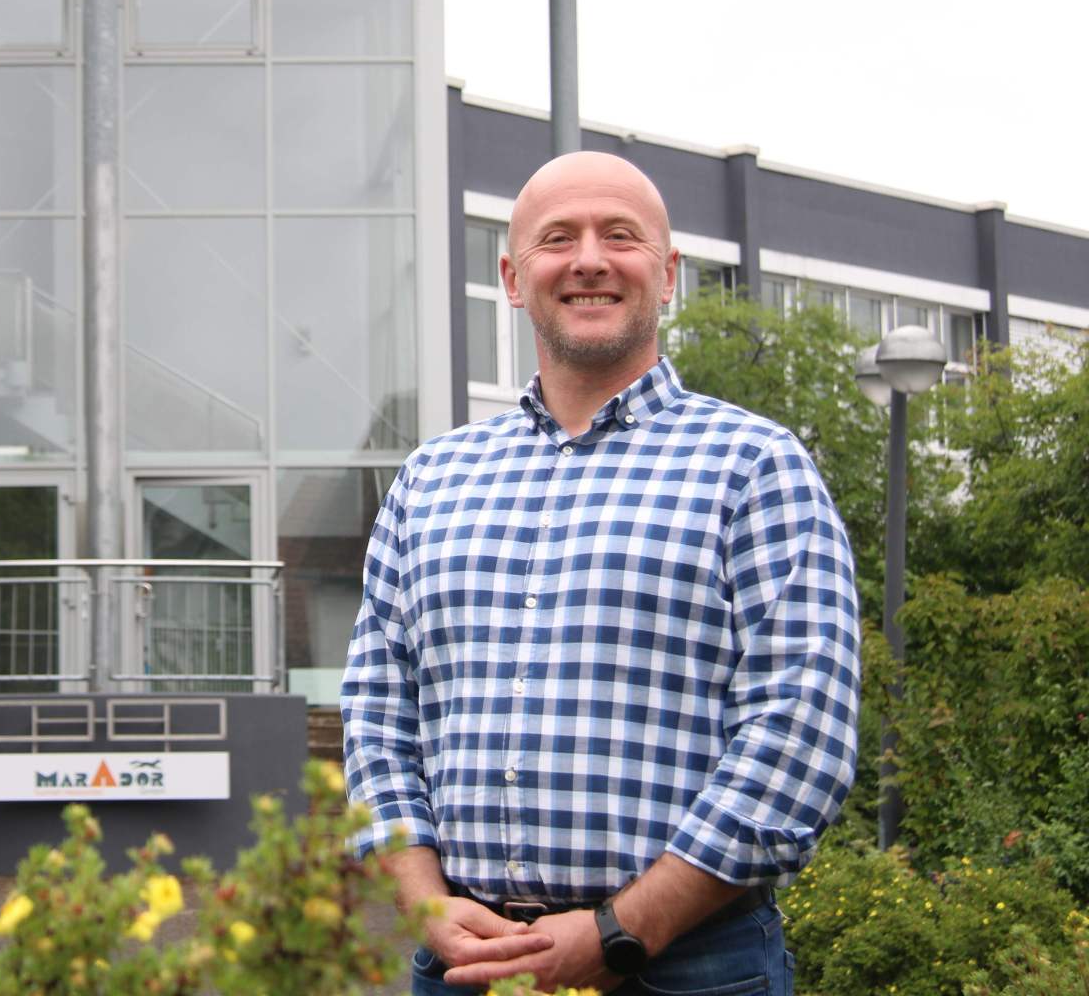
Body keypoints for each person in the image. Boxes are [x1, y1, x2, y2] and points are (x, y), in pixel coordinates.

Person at [342, 151, 859, 995]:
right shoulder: (430, 480)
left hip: (689, 968)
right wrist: (421, 899)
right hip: (465, 964)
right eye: (558, 238)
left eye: (620, 235)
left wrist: (621, 931)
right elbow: (377, 709)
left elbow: (800, 736)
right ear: (513, 277)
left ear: (668, 276)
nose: (588, 259)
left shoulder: (755, 468)